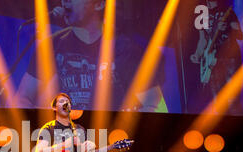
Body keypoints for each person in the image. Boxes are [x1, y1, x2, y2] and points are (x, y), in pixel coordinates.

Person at [16, 0, 165, 112]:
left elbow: (154, 105)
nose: (65, 1)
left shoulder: (127, 50)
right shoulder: (51, 46)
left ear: (99, 4)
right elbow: (23, 97)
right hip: (66, 143)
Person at [190, 0, 243, 115]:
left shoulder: (227, 11)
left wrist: (227, 28)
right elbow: (203, 39)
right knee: (217, 100)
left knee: (232, 97)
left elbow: (240, 35)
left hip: (229, 59)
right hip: (211, 62)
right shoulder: (201, 14)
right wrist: (197, 54)